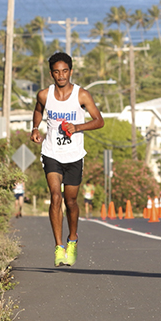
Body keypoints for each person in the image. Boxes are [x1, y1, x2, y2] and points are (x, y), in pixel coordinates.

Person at [31, 52, 105, 267]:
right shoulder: (44, 95)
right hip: (51, 152)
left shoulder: (82, 95)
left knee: (70, 201)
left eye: (65, 71)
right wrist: (35, 128)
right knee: (56, 197)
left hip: (74, 155)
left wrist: (78, 127)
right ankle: (59, 246)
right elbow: (38, 110)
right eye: (56, 72)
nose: (61, 75)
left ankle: (72, 238)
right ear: (51, 73)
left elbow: (99, 121)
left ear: (70, 72)